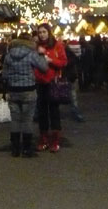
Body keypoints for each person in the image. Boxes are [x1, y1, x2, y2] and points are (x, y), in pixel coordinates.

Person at [2, 32, 49, 157]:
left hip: (13, 91)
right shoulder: (31, 54)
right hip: (28, 90)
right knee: (27, 119)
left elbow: (4, 75)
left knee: (15, 119)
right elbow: (44, 68)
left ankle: (15, 148)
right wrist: (41, 55)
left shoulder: (9, 55)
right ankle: (27, 148)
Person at [34, 23, 68, 153]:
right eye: (40, 32)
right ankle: (43, 139)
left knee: (54, 112)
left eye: (44, 32)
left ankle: (55, 140)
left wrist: (50, 60)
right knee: (42, 112)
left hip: (53, 82)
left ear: (49, 32)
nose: (42, 34)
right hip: (40, 82)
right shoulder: (36, 46)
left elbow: (64, 62)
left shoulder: (57, 45)